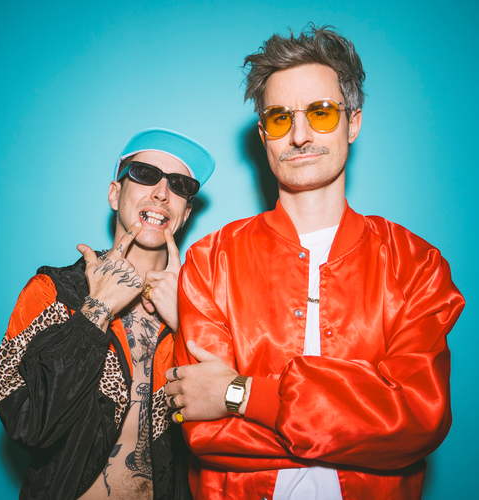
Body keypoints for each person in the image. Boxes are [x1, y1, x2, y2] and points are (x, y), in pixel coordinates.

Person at [164, 25, 465, 500]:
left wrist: (241, 395)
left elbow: (417, 420)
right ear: (264, 134)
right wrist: (360, 424)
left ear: (353, 122)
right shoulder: (209, 262)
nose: (300, 136)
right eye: (280, 119)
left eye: (321, 113)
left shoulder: (415, 265)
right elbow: (206, 433)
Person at [0, 128, 215, 500]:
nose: (162, 193)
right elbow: (29, 425)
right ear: (115, 193)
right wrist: (96, 311)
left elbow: (228, 424)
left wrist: (186, 322)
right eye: (145, 174)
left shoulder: (202, 308)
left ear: (185, 212)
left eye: (179, 185)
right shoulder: (52, 293)